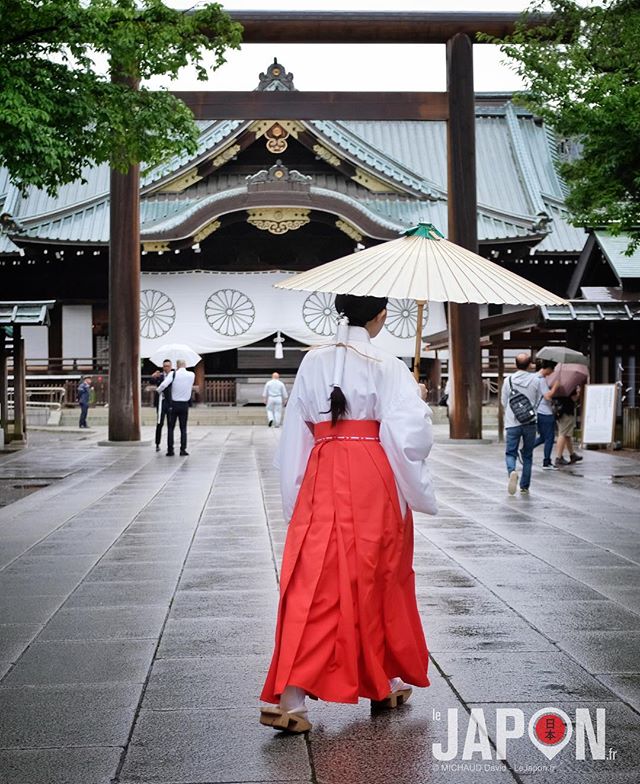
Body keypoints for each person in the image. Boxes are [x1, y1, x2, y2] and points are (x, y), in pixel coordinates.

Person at [259, 293, 437, 735]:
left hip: (322, 465)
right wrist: (419, 401)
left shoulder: (312, 361)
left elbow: (296, 431)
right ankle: (382, 678)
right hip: (371, 472)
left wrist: (293, 492)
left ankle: (293, 696)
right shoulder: (387, 364)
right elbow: (408, 436)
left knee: (313, 579)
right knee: (378, 573)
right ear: (381, 315)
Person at [501, 353, 541, 495]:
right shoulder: (536, 380)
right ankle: (525, 486)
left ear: (515, 364)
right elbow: (537, 400)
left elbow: (504, 402)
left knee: (510, 452)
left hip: (512, 423)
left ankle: (512, 471)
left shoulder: (508, 380)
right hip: (530, 422)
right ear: (530, 364)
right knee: (528, 454)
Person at [156, 359, 195, 457]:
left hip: (173, 404)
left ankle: (170, 450)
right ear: (185, 365)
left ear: (176, 366)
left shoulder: (173, 374)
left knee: (171, 428)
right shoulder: (191, 375)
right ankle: (183, 449)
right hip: (184, 404)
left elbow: (163, 385)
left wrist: (158, 391)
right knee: (183, 428)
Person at [533, 360, 560, 470]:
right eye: (552, 369)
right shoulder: (541, 380)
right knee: (549, 437)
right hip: (545, 411)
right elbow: (547, 396)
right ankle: (546, 462)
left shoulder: (534, 377)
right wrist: (555, 387)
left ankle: (525, 449)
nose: (552, 372)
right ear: (548, 368)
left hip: (538, 411)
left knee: (543, 437)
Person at [554, 386, 583, 466]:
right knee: (563, 434)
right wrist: (578, 393)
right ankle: (558, 457)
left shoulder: (557, 385)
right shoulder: (570, 385)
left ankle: (572, 454)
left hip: (559, 412)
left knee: (567, 435)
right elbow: (574, 398)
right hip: (567, 412)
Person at [151, 359, 173, 452]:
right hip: (161, 402)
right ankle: (157, 443)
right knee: (160, 423)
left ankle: (170, 445)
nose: (166, 368)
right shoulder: (160, 376)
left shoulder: (173, 375)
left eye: (168, 366)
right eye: (165, 366)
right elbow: (151, 382)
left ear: (171, 367)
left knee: (170, 424)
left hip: (170, 402)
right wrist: (153, 376)